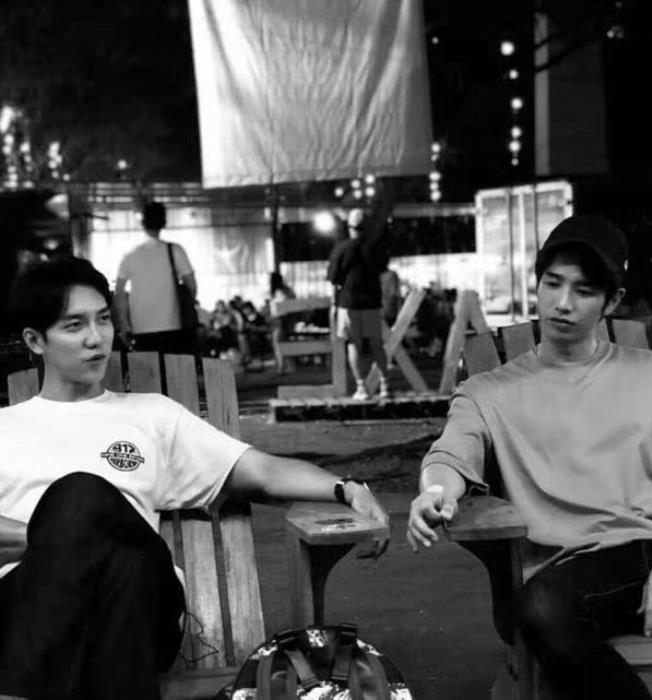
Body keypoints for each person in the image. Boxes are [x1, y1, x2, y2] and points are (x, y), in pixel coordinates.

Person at [0, 257, 389, 700]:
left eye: (103, 319)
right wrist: (62, 541)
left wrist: (346, 487)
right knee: (113, 547)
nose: (96, 338)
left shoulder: (152, 416)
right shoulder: (5, 427)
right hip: (24, 604)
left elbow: (261, 470)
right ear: (34, 340)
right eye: (74, 326)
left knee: (84, 497)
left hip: (145, 610)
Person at [406, 215, 652, 700]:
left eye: (583, 291)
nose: (563, 303)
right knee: (543, 607)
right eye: (553, 283)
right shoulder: (487, 392)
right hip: (584, 570)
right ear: (537, 285)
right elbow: (454, 453)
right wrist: (435, 492)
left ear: (612, 302)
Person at [327, 200, 392, 401]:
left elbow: (334, 279)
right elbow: (383, 271)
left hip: (349, 303)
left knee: (353, 344)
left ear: (350, 227)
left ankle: (361, 387)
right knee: (376, 344)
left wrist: (333, 305)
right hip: (372, 302)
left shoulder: (341, 249)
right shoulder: (376, 248)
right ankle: (385, 385)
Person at [114, 201, 197, 354]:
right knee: (174, 367)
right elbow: (191, 285)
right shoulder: (176, 251)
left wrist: (124, 325)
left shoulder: (130, 257)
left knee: (148, 368)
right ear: (164, 222)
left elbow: (119, 293)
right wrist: (185, 304)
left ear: (143, 223)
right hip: (174, 325)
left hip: (141, 327)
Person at [268, 271, 296, 374]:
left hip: (280, 319)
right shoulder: (286, 290)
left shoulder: (280, 292)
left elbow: (282, 305)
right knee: (281, 342)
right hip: (282, 319)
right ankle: (286, 365)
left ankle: (282, 366)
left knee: (278, 343)